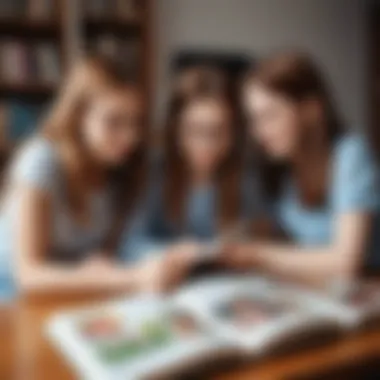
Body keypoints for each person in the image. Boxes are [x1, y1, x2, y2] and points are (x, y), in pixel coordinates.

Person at [0, 57, 174, 296]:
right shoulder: (40, 160)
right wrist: (132, 277)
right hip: (11, 294)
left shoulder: (122, 166)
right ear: (78, 118)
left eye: (137, 122)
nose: (130, 137)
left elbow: (104, 254)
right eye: (114, 122)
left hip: (73, 289)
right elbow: (28, 275)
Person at [223, 52, 380, 285]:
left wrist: (257, 254)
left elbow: (346, 262)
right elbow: (281, 240)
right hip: (319, 293)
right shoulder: (279, 169)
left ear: (311, 110)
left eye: (270, 115)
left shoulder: (350, 155)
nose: (258, 132)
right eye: (254, 119)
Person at [120, 70, 261, 282]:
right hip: (170, 282)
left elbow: (264, 234)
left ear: (234, 132)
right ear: (176, 129)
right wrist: (173, 251)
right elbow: (129, 245)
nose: (207, 144)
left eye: (218, 131)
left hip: (224, 283)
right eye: (195, 130)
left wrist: (245, 243)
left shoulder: (244, 175)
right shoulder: (156, 174)